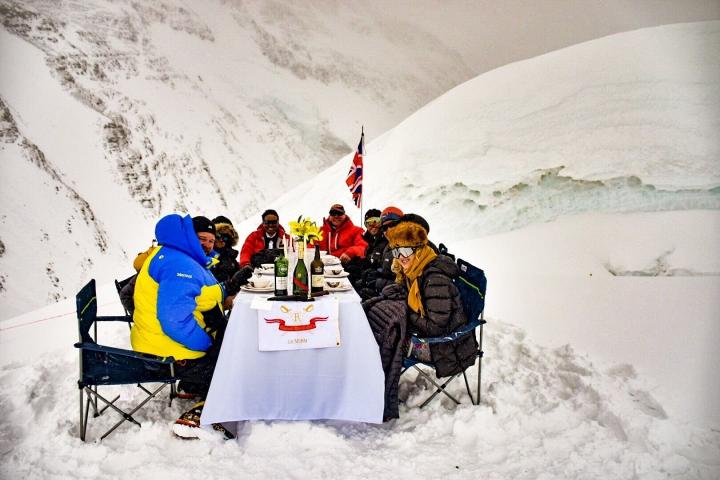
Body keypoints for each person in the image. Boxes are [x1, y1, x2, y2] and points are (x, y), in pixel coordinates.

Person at [131, 213, 248, 439]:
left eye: (211, 241)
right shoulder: (179, 264)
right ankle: (208, 411)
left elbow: (197, 295)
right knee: (231, 352)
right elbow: (174, 321)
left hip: (154, 337)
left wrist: (227, 288)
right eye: (201, 238)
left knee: (227, 331)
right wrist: (206, 343)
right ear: (189, 236)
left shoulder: (178, 256)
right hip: (164, 348)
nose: (207, 244)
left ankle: (197, 386)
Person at [363, 218, 476, 420]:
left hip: (445, 348)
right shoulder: (416, 269)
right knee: (380, 317)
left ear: (419, 249)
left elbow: (434, 327)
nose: (401, 258)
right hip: (438, 337)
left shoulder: (434, 280)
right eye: (397, 252)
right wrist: (397, 290)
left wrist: (407, 310)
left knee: (385, 336)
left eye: (406, 252)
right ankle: (372, 385)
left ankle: (374, 392)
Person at [209, 216, 240, 284]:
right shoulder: (207, 255)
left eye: (226, 237)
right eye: (218, 236)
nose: (222, 240)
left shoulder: (230, 254)